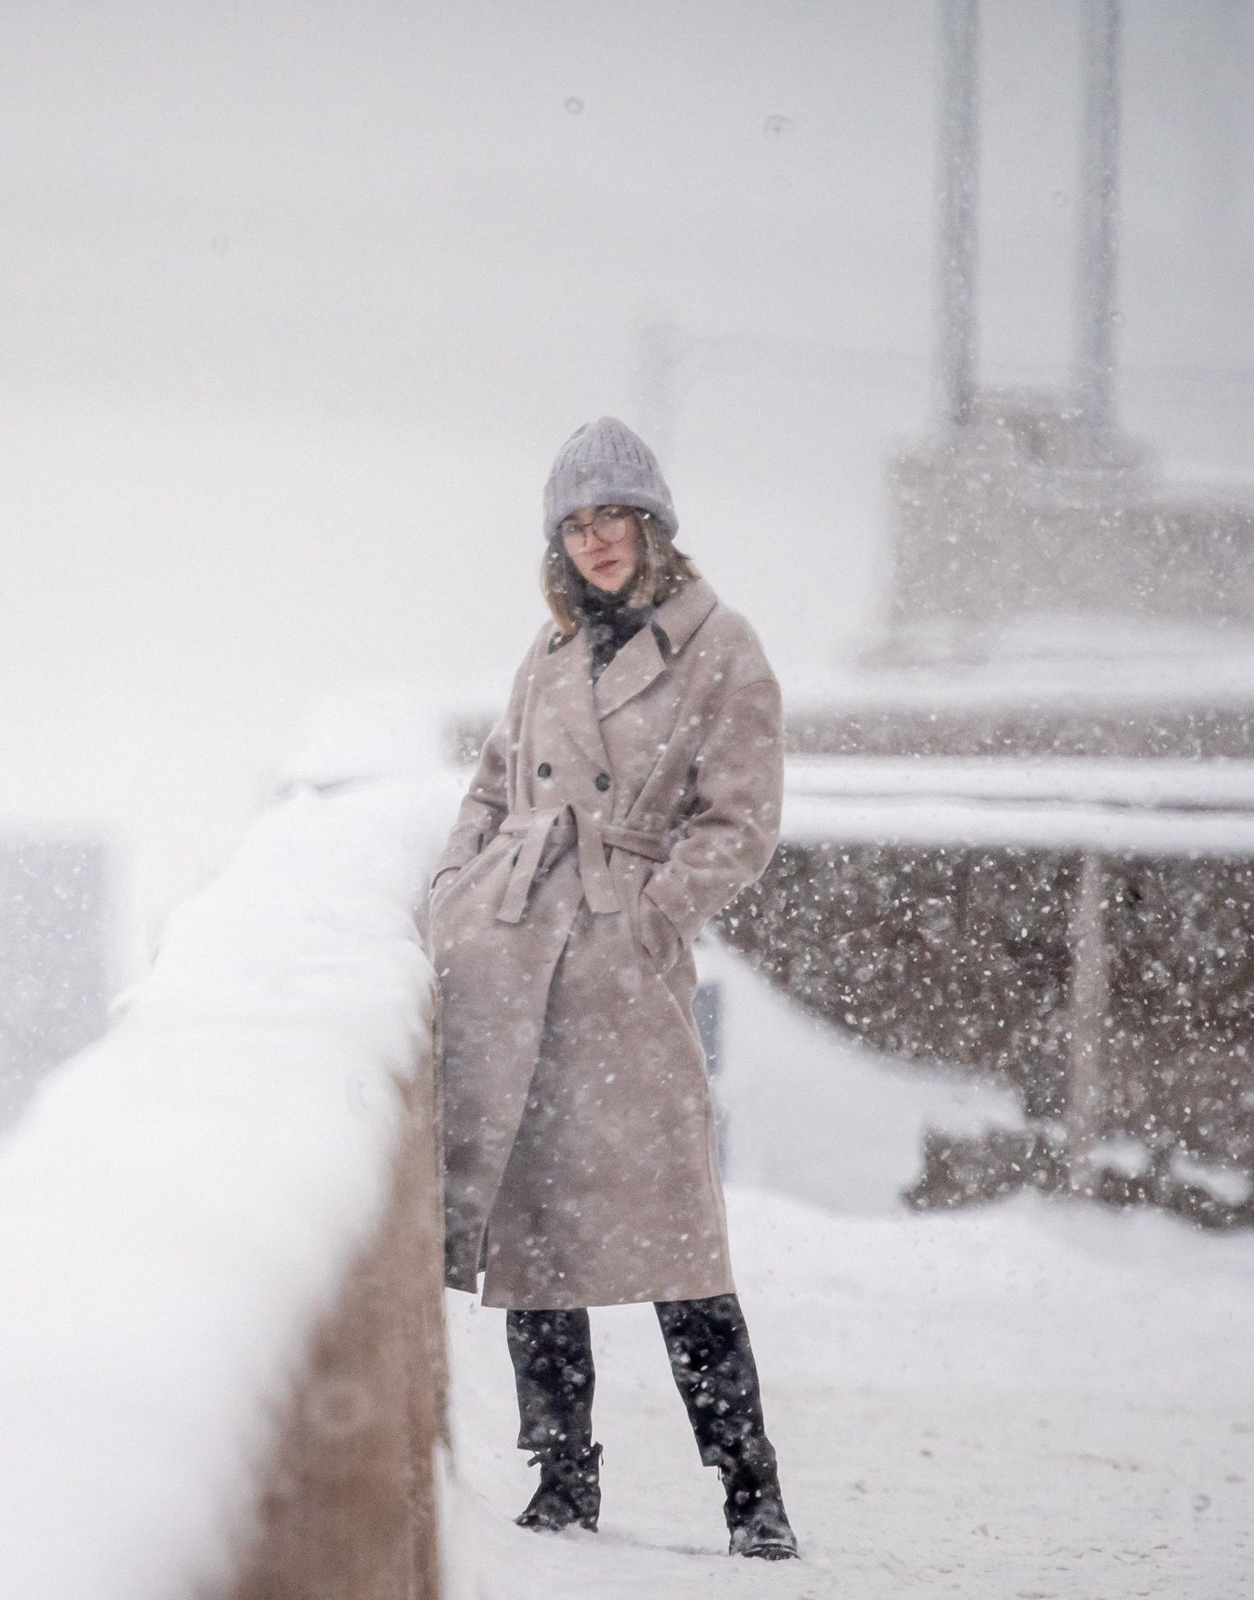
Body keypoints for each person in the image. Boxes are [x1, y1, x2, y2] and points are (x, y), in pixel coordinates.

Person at [426, 416, 796, 1560]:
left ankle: (752, 1494)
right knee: (534, 1235)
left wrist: (651, 916)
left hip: (621, 979)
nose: (594, 542)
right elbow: (493, 784)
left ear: (653, 525)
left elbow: (743, 822)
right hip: (517, 961)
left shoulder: (721, 645)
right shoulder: (546, 656)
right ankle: (562, 1479)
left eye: (612, 518)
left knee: (680, 1240)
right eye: (575, 525)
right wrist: (453, 882)